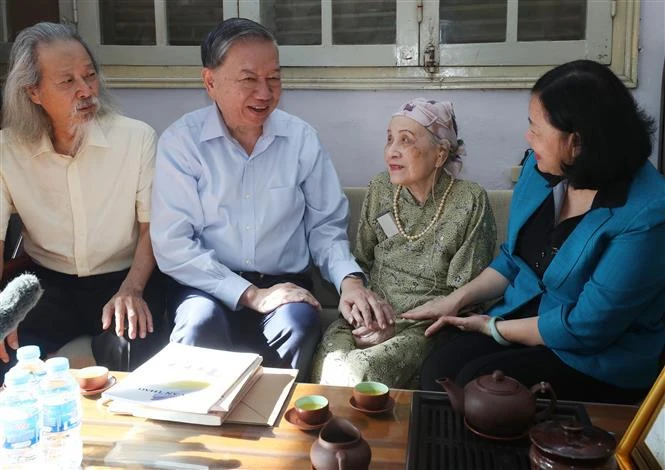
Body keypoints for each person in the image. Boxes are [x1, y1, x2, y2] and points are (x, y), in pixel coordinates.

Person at [405, 60, 665, 404]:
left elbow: (585, 327)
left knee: (478, 390)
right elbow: (514, 260)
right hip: (525, 317)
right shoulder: (539, 169)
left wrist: (490, 327)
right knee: (439, 368)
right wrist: (453, 301)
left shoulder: (648, 213)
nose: (528, 137)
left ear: (576, 142)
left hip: (595, 355)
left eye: (537, 129)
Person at [150, 18, 389, 381]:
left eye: (273, 78)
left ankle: (276, 430)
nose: (264, 92)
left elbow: (325, 227)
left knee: (297, 323)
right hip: (208, 285)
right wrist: (252, 294)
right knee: (199, 325)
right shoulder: (182, 143)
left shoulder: (301, 139)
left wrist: (349, 281)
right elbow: (173, 245)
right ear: (210, 82)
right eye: (249, 79)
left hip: (285, 282)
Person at [0, 22, 166, 380]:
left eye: (89, 76)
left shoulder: (136, 139)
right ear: (33, 92)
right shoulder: (7, 149)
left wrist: (132, 289)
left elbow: (152, 227)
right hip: (46, 283)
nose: (85, 90)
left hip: (124, 277)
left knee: (136, 356)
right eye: (67, 81)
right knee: (5, 352)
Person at [311, 98, 497, 388]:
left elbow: (465, 297)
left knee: (357, 373)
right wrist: (366, 312)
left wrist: (395, 325)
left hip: (427, 326)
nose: (391, 152)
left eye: (406, 140)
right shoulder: (380, 189)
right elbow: (362, 261)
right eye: (389, 140)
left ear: (440, 153)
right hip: (372, 315)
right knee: (331, 362)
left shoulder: (469, 201)